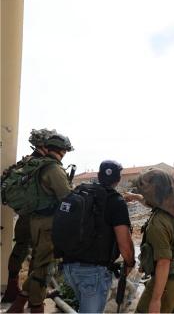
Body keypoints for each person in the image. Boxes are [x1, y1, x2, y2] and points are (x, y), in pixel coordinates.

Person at [5, 131, 73, 313]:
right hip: (47, 224)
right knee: (44, 267)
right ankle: (36, 306)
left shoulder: (34, 164)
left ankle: (18, 305)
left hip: (34, 219)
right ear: (62, 150)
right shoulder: (53, 168)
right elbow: (66, 198)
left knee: (38, 263)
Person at [59, 160, 136, 313]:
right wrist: (130, 262)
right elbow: (124, 243)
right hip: (93, 273)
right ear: (118, 179)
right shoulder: (116, 201)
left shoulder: (80, 193)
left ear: (99, 176)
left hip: (69, 267)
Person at [134, 169, 174, 313]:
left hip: (170, 281)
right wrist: (136, 197)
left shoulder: (158, 223)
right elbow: (152, 202)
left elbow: (163, 262)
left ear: (155, 193)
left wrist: (156, 300)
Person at [1, 129, 53, 303]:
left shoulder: (24, 163)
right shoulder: (45, 165)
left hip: (23, 216)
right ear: (43, 145)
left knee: (20, 248)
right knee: (39, 254)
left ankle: (12, 286)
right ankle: (32, 294)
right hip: (39, 217)